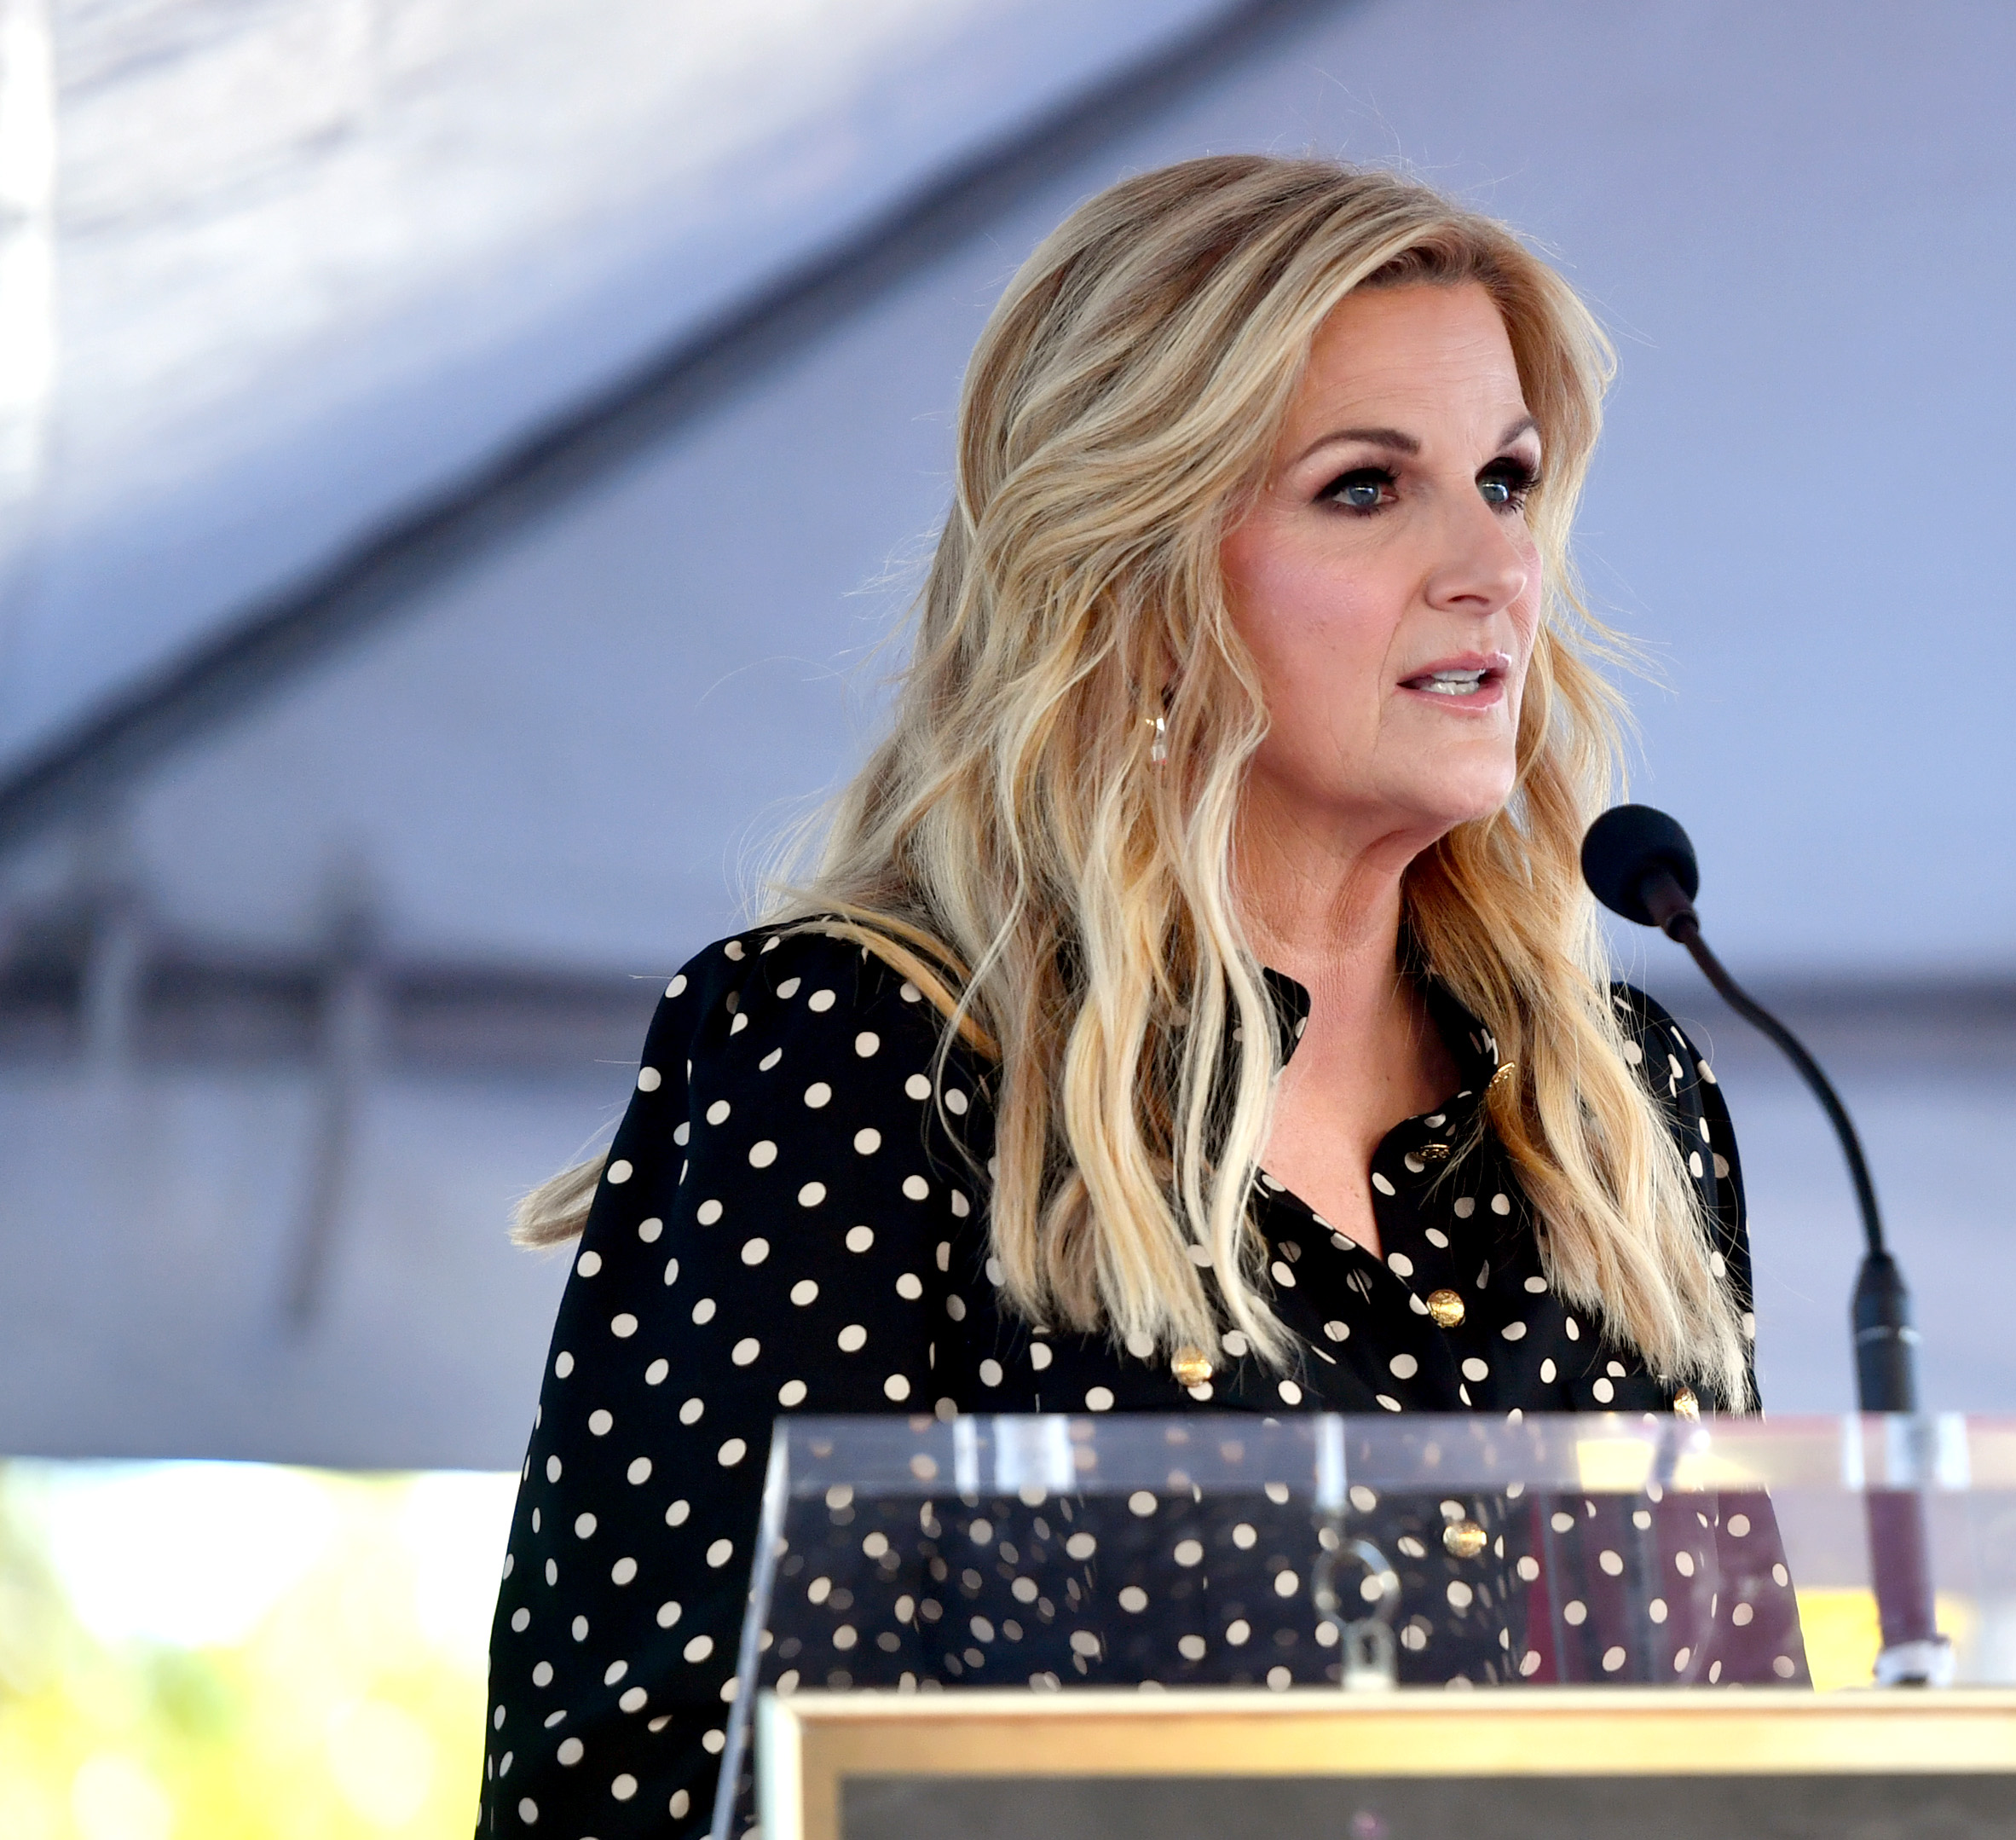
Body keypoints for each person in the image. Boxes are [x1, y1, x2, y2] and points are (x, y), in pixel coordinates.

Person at [478, 153, 1804, 1837]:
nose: (1490, 566)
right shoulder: (863, 1053)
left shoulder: (1623, 1099)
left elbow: (1750, 1764)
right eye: (1363, 488)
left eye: (1507, 479)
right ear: (1135, 563)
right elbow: (649, 1788)